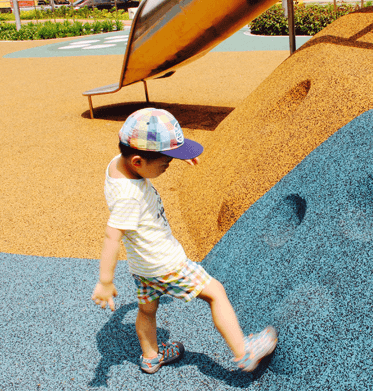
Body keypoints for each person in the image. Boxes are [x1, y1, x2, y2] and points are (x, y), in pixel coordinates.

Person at [91, 108, 277, 374]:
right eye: (165, 162)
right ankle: (244, 352)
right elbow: (112, 235)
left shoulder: (118, 165)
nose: (168, 165)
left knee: (146, 311)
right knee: (216, 292)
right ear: (138, 162)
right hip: (166, 264)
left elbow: (145, 157)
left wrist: (176, 156)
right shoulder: (129, 198)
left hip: (142, 269)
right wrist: (105, 281)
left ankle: (151, 356)